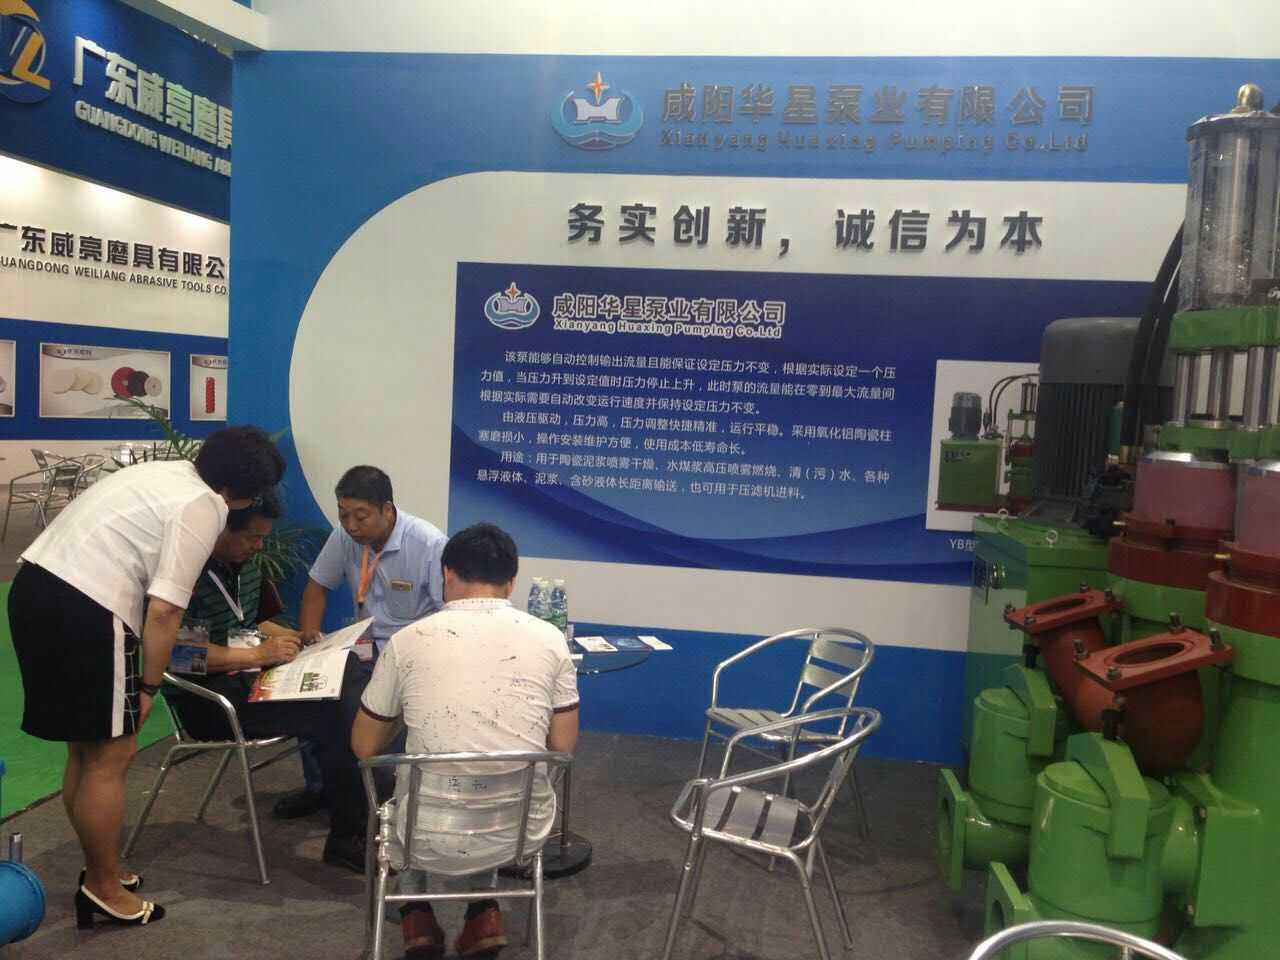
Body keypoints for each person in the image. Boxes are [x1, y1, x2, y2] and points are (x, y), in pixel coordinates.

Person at [7, 426, 284, 930]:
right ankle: (103, 888)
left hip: (34, 589)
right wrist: (150, 688)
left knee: (86, 750)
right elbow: (165, 611)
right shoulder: (205, 505)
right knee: (111, 756)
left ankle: (102, 870)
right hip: (88, 605)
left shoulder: (167, 473)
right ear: (241, 491)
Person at [352, 523, 579, 960]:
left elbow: (364, 747)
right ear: (511, 582)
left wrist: (403, 712)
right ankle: (483, 913)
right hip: (519, 832)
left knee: (414, 776)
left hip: (423, 832)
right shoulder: (550, 639)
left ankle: (416, 913)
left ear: (447, 574)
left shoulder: (408, 641)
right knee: (486, 769)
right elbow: (563, 746)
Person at [163, 490, 370, 872]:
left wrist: (295, 638)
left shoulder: (245, 566)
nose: (258, 546)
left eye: (263, 538)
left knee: (349, 671)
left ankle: (335, 798)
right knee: (334, 714)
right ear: (221, 531)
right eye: (251, 537)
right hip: (210, 699)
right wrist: (258, 655)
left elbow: (251, 623)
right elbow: (183, 657)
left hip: (248, 676)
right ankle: (347, 831)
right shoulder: (188, 575)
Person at [274, 465, 447, 821]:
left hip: (410, 653)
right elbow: (316, 588)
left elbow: (447, 613)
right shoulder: (344, 537)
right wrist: (309, 640)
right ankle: (320, 787)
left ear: (387, 509)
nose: (351, 525)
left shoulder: (428, 543)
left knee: (372, 713)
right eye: (343, 514)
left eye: (360, 516)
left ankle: (381, 798)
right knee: (315, 698)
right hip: (362, 646)